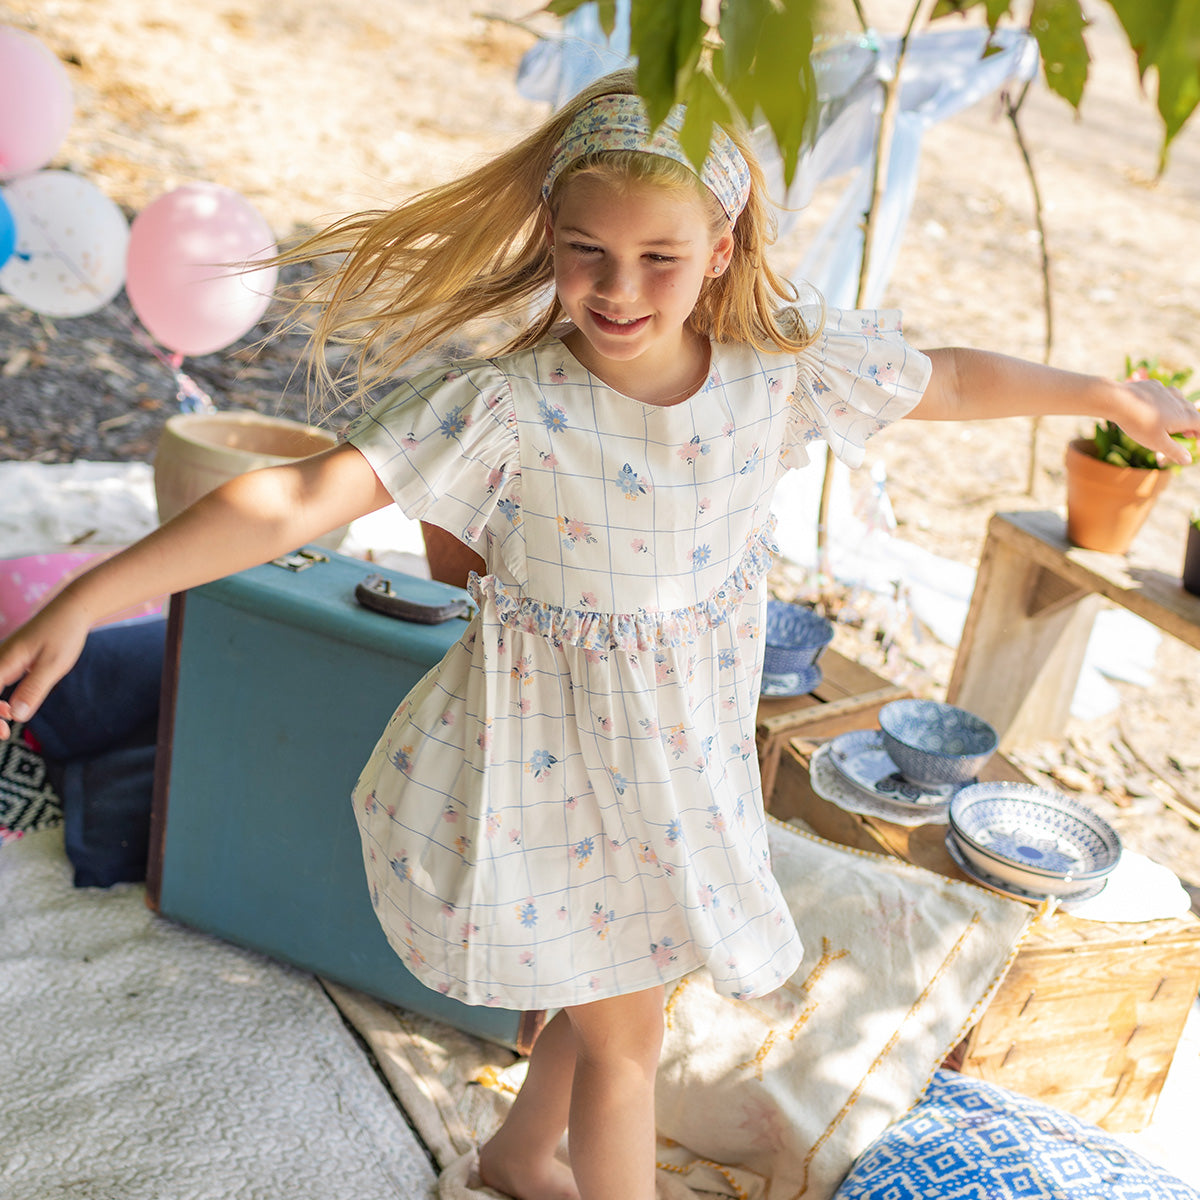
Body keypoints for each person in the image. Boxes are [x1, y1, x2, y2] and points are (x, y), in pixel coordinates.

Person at [1, 69, 1196, 1200]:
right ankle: (549, 1154)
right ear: (549, 239)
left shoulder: (771, 370)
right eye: (587, 254)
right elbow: (295, 498)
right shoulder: (507, 404)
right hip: (554, 771)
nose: (618, 290)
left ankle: (526, 1153)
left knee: (629, 983)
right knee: (629, 1041)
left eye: (658, 258)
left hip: (685, 756)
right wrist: (88, 598)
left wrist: (1106, 395)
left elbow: (944, 380)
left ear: (720, 251)